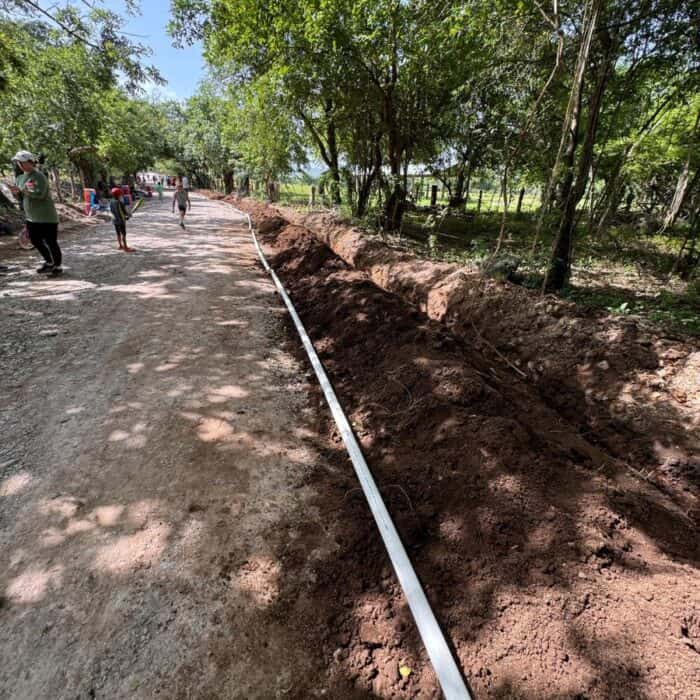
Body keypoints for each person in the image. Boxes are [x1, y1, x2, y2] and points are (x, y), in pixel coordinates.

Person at [9, 150, 62, 275]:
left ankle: (58, 266)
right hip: (31, 217)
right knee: (35, 240)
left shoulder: (39, 176)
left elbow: (40, 195)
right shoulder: (20, 178)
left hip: (46, 216)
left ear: (29, 162)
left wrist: (22, 191)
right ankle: (49, 262)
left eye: (21, 162)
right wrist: (15, 193)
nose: (19, 164)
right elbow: (21, 198)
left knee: (51, 242)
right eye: (18, 162)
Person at [109, 187, 134, 252]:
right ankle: (125, 247)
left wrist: (126, 216)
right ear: (118, 195)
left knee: (118, 233)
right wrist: (128, 215)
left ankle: (120, 245)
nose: (121, 195)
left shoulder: (111, 202)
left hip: (115, 220)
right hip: (121, 221)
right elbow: (124, 212)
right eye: (120, 194)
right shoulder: (120, 202)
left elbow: (112, 211)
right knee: (123, 234)